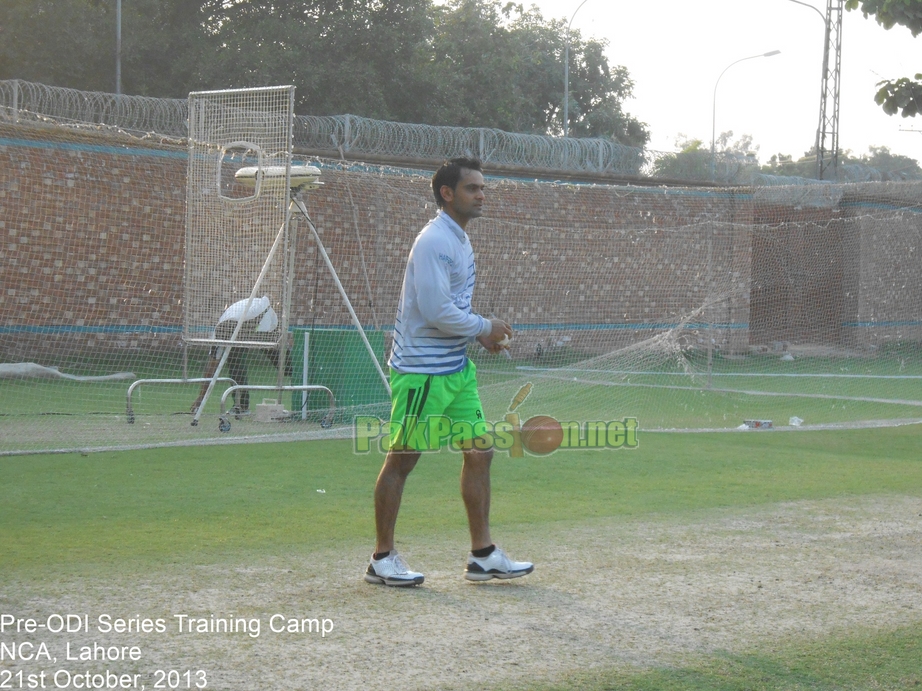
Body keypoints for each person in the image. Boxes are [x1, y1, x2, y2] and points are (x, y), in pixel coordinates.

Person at [364, 157, 534, 587]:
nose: (481, 195)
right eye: (472, 188)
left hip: (455, 369)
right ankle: (381, 558)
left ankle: (482, 554)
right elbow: (436, 310)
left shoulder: (459, 239)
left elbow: (451, 307)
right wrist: (484, 326)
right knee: (403, 459)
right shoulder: (433, 241)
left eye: (482, 188)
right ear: (447, 194)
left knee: (480, 450)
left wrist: (477, 335)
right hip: (422, 372)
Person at [191, 296, 290, 415]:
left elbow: (212, 366)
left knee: (277, 357)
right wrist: (200, 397)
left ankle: (300, 378)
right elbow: (211, 367)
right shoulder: (219, 337)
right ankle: (241, 406)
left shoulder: (226, 331)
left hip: (262, 314)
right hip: (245, 321)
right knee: (235, 359)